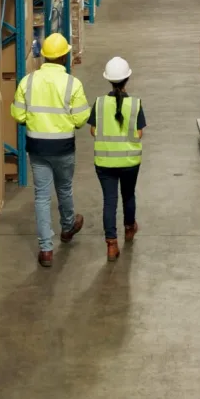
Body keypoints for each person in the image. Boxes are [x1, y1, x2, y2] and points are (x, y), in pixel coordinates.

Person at [11, 32, 91, 268]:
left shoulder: (28, 81)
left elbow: (17, 114)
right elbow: (80, 119)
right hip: (64, 147)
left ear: (44, 57)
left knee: (41, 196)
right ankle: (67, 228)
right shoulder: (72, 84)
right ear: (65, 57)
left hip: (37, 147)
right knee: (64, 187)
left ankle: (46, 249)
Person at [89, 57, 146, 261]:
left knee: (109, 201)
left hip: (105, 162)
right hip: (130, 162)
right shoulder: (135, 104)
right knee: (128, 195)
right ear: (127, 78)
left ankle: (111, 244)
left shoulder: (100, 103)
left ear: (109, 80)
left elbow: (93, 130)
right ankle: (129, 228)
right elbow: (139, 134)